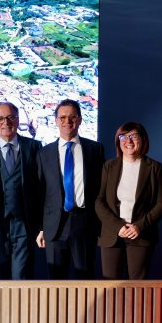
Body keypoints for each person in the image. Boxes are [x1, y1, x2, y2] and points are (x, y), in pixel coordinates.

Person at [36, 99, 105, 279]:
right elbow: (40, 193)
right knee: (56, 281)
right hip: (54, 226)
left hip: (84, 222)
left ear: (80, 120)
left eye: (72, 117)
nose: (67, 121)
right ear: (56, 121)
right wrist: (41, 228)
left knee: (86, 279)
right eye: (63, 117)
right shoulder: (44, 153)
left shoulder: (95, 149)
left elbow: (101, 188)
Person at [95, 122, 162, 279]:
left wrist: (139, 226)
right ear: (118, 140)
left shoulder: (154, 167)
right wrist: (118, 226)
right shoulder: (109, 166)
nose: (128, 141)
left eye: (133, 136)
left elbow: (161, 204)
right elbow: (99, 201)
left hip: (140, 234)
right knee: (111, 286)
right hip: (112, 234)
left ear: (142, 139)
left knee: (137, 287)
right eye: (123, 137)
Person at [0, 101, 42, 279]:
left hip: (24, 223)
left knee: (21, 277)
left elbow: (41, 187)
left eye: (10, 117)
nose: (5, 122)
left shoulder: (34, 147)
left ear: (18, 119)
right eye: (0, 119)